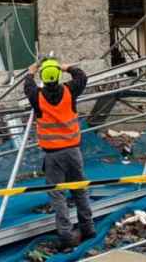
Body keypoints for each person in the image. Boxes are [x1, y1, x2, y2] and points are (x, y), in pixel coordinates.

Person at [23, 56, 95, 251]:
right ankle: (88, 228)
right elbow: (81, 76)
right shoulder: (70, 91)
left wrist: (31, 70)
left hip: (53, 156)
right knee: (80, 190)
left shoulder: (36, 96)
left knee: (58, 196)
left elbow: (28, 84)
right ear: (57, 75)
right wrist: (64, 67)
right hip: (73, 152)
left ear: (43, 77)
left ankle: (66, 235)